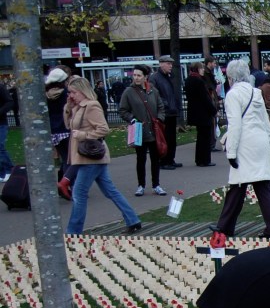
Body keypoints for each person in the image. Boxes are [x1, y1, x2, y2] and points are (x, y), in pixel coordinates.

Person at [62, 76, 142, 236]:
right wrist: (68, 108)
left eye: (73, 92)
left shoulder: (91, 106)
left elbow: (104, 129)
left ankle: (73, 231)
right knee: (110, 191)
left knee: (78, 193)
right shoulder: (78, 106)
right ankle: (133, 219)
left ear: (82, 91)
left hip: (91, 157)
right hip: (86, 156)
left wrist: (83, 135)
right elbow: (68, 125)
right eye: (69, 92)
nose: (71, 95)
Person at [212, 59, 270, 239]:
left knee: (238, 184)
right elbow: (265, 120)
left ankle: (226, 227)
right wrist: (268, 140)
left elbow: (235, 126)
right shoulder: (255, 92)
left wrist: (231, 152)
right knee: (259, 186)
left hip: (245, 144)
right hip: (260, 141)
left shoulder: (233, 95)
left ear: (230, 77)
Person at [118, 65, 166, 196]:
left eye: (139, 75)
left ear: (145, 77)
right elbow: (122, 110)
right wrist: (132, 119)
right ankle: (141, 185)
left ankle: (156, 185)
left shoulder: (153, 91)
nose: (136, 78)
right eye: (134, 75)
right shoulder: (129, 92)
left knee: (155, 159)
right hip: (139, 130)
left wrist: (159, 119)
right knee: (141, 159)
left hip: (154, 130)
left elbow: (161, 107)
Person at [149, 55, 182, 169]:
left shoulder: (169, 77)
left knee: (172, 139)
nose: (170, 66)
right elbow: (154, 95)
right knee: (165, 138)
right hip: (164, 113)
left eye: (171, 64)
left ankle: (171, 159)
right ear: (161, 64)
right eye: (168, 63)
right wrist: (165, 104)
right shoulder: (154, 78)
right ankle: (164, 161)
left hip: (172, 111)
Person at [184, 61, 217, 168]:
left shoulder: (189, 80)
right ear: (197, 69)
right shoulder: (199, 81)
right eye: (201, 68)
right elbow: (205, 98)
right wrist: (213, 110)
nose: (203, 70)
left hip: (195, 112)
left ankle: (199, 159)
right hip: (203, 112)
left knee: (200, 136)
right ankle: (205, 159)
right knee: (205, 136)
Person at [45, 67, 73, 181]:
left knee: (64, 157)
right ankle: (67, 183)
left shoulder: (46, 95)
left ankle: (62, 180)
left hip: (54, 131)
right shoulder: (66, 94)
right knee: (70, 159)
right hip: (66, 128)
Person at [0, 79, 13, 182]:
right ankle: (2, 172)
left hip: (1, 123)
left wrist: (0, 111)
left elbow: (10, 102)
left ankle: (9, 169)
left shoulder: (1, 88)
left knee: (0, 146)